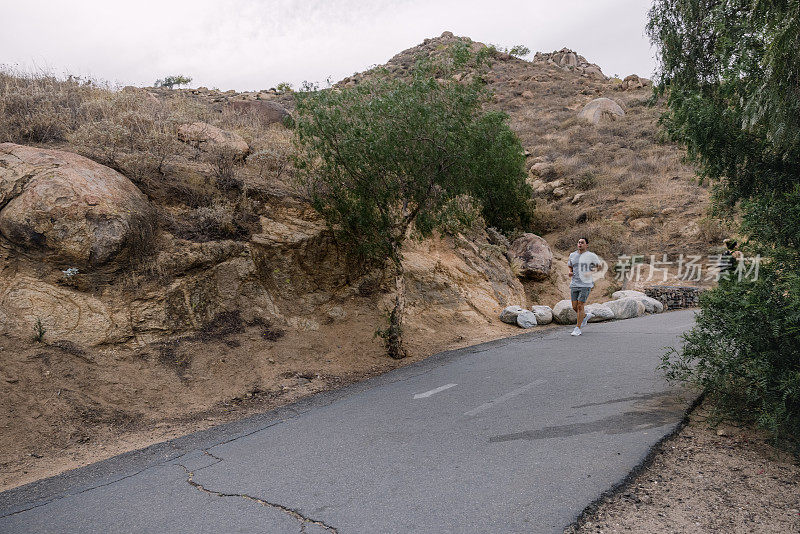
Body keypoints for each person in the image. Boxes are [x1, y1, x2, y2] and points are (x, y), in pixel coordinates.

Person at [567, 237, 601, 336]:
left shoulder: (591, 256)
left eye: (582, 243)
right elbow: (570, 265)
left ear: (586, 245)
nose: (580, 244)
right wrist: (570, 272)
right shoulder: (572, 255)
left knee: (580, 305)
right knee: (574, 307)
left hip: (585, 284)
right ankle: (585, 316)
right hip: (574, 284)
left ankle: (577, 328)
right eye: (578, 242)